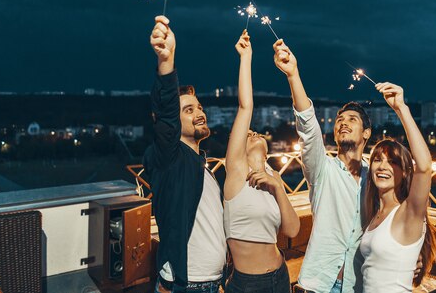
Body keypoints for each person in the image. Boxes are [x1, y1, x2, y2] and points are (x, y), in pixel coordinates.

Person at [272, 39, 372, 293]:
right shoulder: (322, 170)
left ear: (367, 134)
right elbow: (308, 127)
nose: (343, 123)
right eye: (340, 119)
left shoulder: (377, 177)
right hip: (317, 285)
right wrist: (293, 74)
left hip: (357, 285)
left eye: (352, 119)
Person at [144, 15, 226, 293]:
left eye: (199, 107)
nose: (199, 113)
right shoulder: (171, 158)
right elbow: (166, 112)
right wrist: (167, 61)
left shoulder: (203, 166)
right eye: (189, 110)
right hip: (186, 285)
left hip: (212, 283)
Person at [223, 30, 300, 293]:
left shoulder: (272, 175)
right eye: (247, 134)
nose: (253, 132)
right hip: (248, 284)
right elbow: (246, 107)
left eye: (256, 132)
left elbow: (291, 230)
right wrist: (246, 57)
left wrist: (278, 187)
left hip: (280, 274)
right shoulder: (236, 170)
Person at [359, 83, 436, 293]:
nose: (383, 166)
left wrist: (401, 109)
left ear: (405, 172)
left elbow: (423, 167)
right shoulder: (375, 213)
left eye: (393, 162)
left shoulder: (407, 213)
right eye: (377, 160)